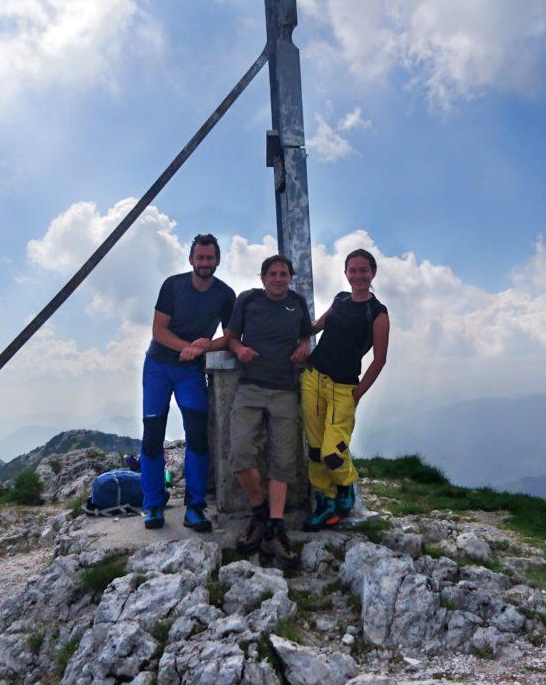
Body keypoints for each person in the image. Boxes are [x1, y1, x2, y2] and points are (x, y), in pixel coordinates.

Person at [141, 233, 235, 532]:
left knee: (196, 435)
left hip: (189, 372)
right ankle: (153, 505)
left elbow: (231, 337)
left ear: (217, 260)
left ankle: (194, 508)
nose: (204, 262)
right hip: (158, 366)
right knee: (153, 433)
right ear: (191, 259)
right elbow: (158, 331)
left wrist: (205, 347)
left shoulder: (224, 294)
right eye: (200, 257)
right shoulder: (172, 285)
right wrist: (188, 347)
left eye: (210, 258)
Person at [227, 254, 312, 569]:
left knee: (284, 459)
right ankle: (260, 511)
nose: (278, 279)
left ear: (290, 277)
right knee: (240, 451)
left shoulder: (297, 303)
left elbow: (305, 332)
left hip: (285, 390)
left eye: (283, 274)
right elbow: (232, 337)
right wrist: (239, 349)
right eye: (272, 274)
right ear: (263, 278)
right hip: (250, 387)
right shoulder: (248, 300)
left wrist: (304, 344)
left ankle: (275, 528)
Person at [301, 248, 389, 530]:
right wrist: (299, 336)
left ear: (372, 273)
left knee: (333, 451)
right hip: (314, 378)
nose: (358, 275)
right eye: (353, 270)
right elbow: (316, 327)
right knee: (315, 449)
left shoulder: (377, 313)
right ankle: (325, 503)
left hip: (344, 387)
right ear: (346, 273)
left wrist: (358, 392)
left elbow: (379, 359)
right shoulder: (339, 299)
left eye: (364, 270)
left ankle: (346, 487)